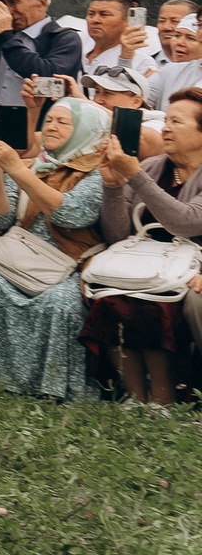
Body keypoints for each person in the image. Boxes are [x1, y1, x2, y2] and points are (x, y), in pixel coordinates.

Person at [0, 95, 111, 399]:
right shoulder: (31, 165)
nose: (51, 126)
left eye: (63, 122)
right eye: (49, 119)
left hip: (69, 266)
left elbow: (72, 213)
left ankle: (52, 386)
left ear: (86, 130)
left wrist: (17, 169)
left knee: (60, 302)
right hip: (19, 257)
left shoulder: (97, 172)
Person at [86, 88, 202, 404]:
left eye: (176, 121)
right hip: (144, 261)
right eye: (165, 119)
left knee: (156, 305)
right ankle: (135, 395)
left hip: (192, 267)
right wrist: (112, 186)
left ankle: (164, 399)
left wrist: (135, 175)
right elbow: (118, 235)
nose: (165, 127)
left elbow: (187, 222)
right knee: (111, 297)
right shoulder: (153, 166)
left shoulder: (142, 170)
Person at [0, 0, 81, 106]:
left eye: (14, 2)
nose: (8, 9)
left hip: (36, 126)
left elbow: (50, 82)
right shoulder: (2, 36)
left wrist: (6, 37)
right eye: (2, 2)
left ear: (42, 3)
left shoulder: (65, 38)